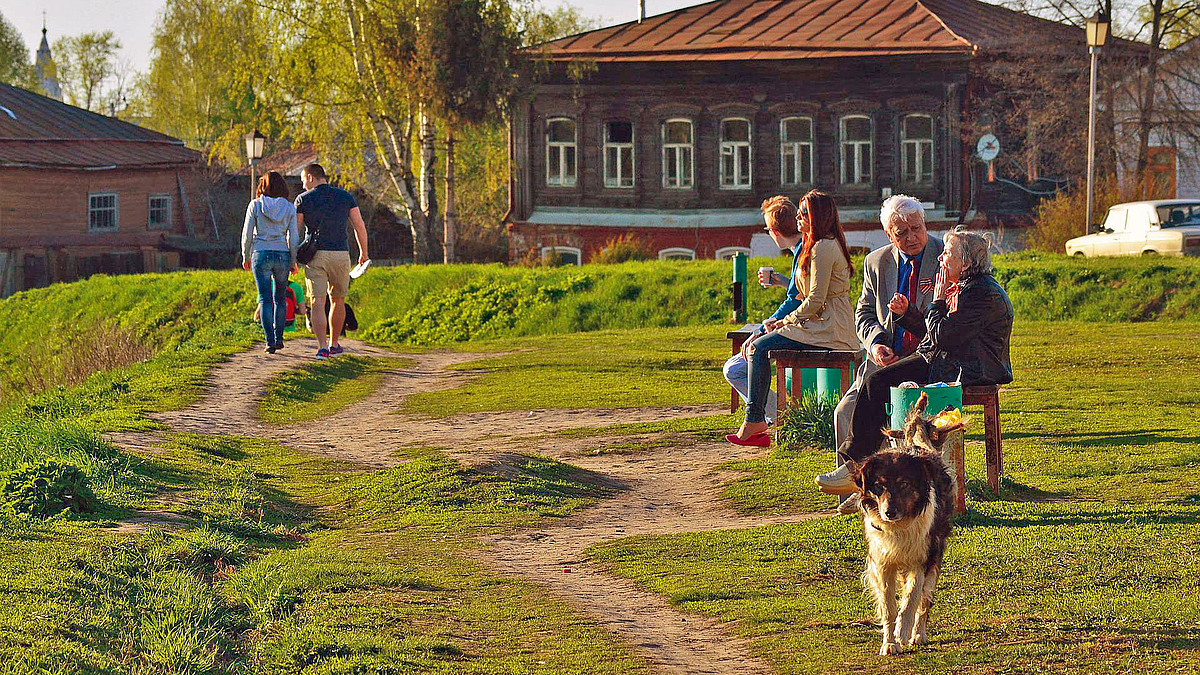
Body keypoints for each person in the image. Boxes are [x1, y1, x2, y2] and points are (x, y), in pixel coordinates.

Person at [816, 226, 1014, 495]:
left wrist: (937, 300)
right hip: (949, 361)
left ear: (966, 263)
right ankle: (863, 475)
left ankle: (857, 470)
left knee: (878, 382)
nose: (941, 258)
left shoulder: (981, 294)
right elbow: (938, 334)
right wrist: (908, 313)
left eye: (947, 253)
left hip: (969, 371)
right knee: (878, 382)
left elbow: (943, 335)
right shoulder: (969, 287)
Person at [829, 195, 944, 512]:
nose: (911, 238)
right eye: (901, 233)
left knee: (882, 404)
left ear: (925, 224)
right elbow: (863, 314)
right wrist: (876, 342)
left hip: (925, 360)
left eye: (916, 228)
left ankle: (880, 489)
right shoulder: (876, 262)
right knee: (844, 412)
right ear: (889, 236)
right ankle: (857, 495)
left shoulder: (945, 255)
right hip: (884, 361)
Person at [727, 190, 858, 446]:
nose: (798, 217)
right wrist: (780, 316)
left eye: (804, 212)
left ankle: (755, 418)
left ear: (818, 216)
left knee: (759, 347)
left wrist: (784, 321)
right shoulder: (815, 245)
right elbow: (804, 294)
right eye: (799, 211)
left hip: (831, 328)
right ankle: (757, 418)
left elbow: (816, 300)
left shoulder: (824, 247)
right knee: (759, 346)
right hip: (817, 324)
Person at [722, 196, 804, 425]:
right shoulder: (803, 249)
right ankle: (773, 414)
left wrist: (763, 328)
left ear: (775, 233)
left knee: (735, 368)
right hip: (801, 323)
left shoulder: (802, 253)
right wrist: (783, 281)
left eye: (768, 229)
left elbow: (795, 301)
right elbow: (801, 293)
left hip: (802, 327)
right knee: (737, 364)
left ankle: (776, 415)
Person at [295, 163, 369, 359]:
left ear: (310, 177)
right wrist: (364, 253)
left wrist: (292, 257)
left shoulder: (302, 199)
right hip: (340, 254)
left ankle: (321, 348)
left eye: (303, 181)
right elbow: (359, 226)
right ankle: (334, 344)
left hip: (315, 255)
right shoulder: (346, 197)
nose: (303, 186)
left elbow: (294, 232)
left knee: (317, 302)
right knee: (338, 300)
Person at [242, 170, 298, 354]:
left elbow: (247, 234)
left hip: (261, 253)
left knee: (266, 299)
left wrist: (246, 256)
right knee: (280, 299)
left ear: (262, 186)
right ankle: (279, 337)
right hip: (282, 254)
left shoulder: (255, 205)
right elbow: (294, 236)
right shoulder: (290, 208)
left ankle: (270, 341)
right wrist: (293, 259)